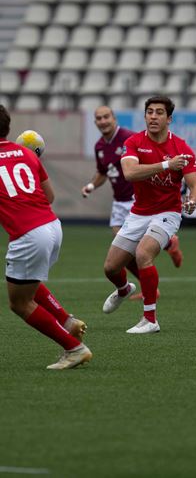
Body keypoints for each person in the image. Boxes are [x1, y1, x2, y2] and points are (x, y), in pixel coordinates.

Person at [0, 105, 92, 369]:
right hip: (52, 227)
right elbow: (49, 197)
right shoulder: (27, 155)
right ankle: (67, 321)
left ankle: (74, 348)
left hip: (29, 234)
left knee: (19, 303)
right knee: (26, 282)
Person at [102, 95, 196, 333]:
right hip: (138, 213)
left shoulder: (182, 148)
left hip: (168, 213)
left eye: (159, 112)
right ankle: (125, 289)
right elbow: (129, 172)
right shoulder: (135, 142)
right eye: (150, 112)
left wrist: (192, 201)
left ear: (169, 119)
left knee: (143, 254)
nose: (153, 116)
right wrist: (167, 165)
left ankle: (150, 319)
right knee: (111, 268)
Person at [81, 105, 183, 300]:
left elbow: (146, 163)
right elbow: (103, 172)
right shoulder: (100, 146)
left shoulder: (129, 139)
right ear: (95, 123)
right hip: (118, 202)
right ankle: (168, 248)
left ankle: (168, 246)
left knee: (131, 251)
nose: (103, 121)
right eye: (99, 119)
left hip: (135, 200)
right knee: (123, 254)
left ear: (114, 118)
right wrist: (91, 186)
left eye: (106, 117)